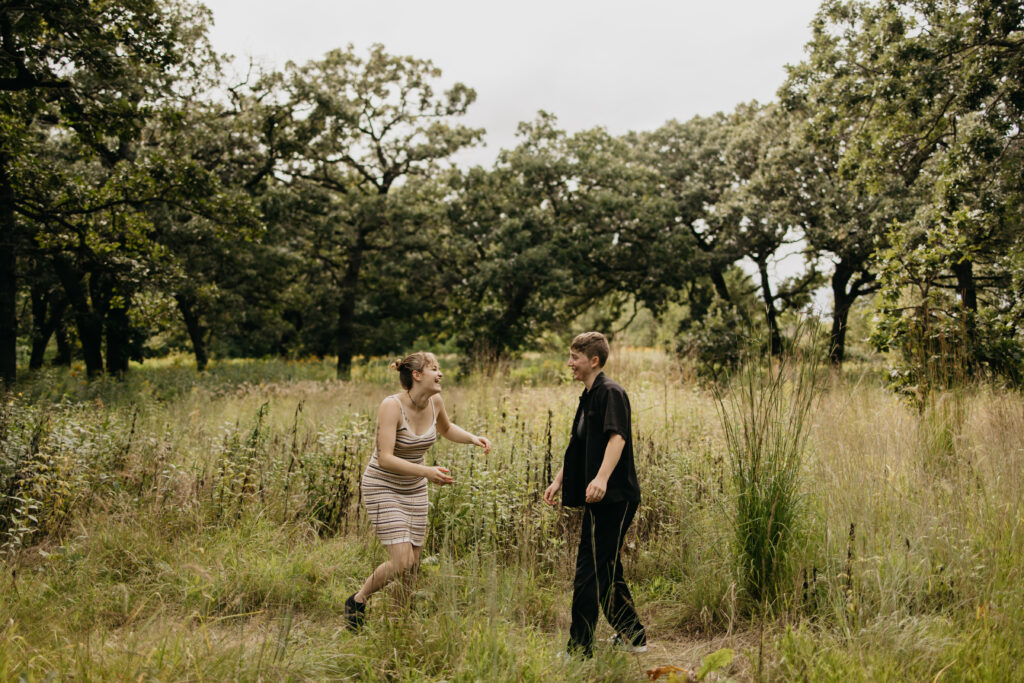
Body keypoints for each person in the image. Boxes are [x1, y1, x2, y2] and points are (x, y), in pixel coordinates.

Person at [345, 351, 491, 629]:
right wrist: (427, 471)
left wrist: (473, 438)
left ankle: (401, 622)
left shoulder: (435, 400)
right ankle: (359, 600)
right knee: (401, 562)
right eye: (434, 368)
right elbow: (385, 456)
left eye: (439, 368)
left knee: (413, 565)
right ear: (417, 375)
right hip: (383, 485)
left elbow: (446, 429)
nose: (440, 373)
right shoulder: (391, 406)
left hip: (414, 488)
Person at [544, 332, 646, 658]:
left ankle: (580, 649)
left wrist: (601, 479)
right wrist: (559, 480)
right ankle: (634, 636)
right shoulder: (588, 396)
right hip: (598, 497)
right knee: (608, 567)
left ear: (594, 361)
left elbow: (618, 439)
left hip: (615, 497)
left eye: (574, 357)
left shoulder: (611, 392)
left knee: (589, 570)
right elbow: (578, 447)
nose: (569, 363)